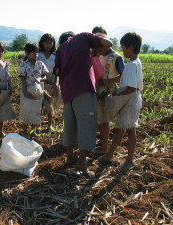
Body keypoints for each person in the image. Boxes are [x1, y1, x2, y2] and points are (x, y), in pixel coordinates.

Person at [54, 32, 112, 175]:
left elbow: (57, 71)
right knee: (86, 124)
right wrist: (97, 50)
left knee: (70, 123)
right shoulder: (84, 37)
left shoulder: (60, 50)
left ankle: (69, 156)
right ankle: (82, 162)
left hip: (67, 91)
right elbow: (108, 43)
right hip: (84, 88)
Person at [99, 32, 143, 171]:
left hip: (129, 100)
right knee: (121, 129)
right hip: (130, 99)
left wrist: (116, 97)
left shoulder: (131, 65)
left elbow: (131, 88)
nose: (123, 51)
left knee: (130, 130)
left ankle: (129, 160)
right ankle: (110, 154)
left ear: (131, 47)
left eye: (124, 48)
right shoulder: (136, 62)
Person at [92, 26, 125, 154]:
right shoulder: (96, 56)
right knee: (100, 120)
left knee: (104, 121)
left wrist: (109, 81)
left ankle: (104, 147)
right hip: (97, 90)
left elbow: (123, 75)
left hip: (108, 92)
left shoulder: (116, 57)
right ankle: (103, 142)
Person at [19, 43, 48, 135]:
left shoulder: (40, 64)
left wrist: (40, 79)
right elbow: (23, 78)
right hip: (27, 90)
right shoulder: (23, 64)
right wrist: (25, 91)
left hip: (38, 91)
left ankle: (33, 131)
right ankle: (24, 131)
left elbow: (45, 76)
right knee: (26, 110)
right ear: (27, 53)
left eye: (37, 52)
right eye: (33, 52)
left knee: (36, 110)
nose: (36, 54)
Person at [38, 33, 61, 132]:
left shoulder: (55, 56)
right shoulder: (39, 55)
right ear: (42, 43)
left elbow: (57, 71)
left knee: (50, 104)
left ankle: (49, 126)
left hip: (52, 80)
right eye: (46, 43)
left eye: (50, 43)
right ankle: (38, 125)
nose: (48, 45)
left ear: (53, 44)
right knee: (40, 104)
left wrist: (56, 82)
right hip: (40, 79)